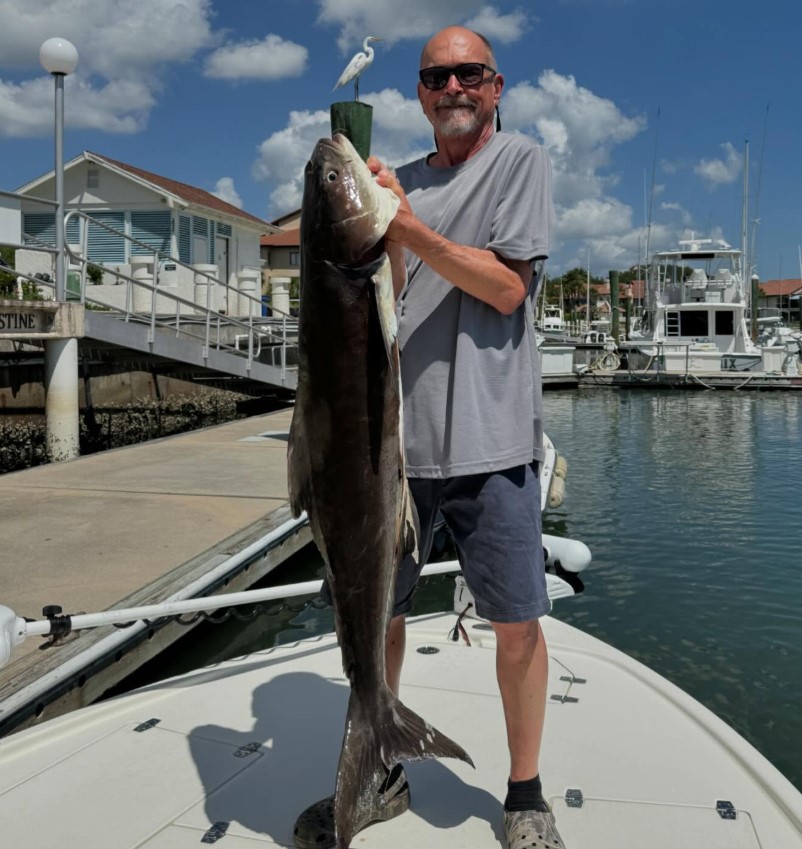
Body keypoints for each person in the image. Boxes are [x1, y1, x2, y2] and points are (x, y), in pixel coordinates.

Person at [294, 25, 562, 849]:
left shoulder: (520, 164)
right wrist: (380, 222)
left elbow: (506, 288)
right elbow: (384, 298)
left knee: (516, 623)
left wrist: (402, 227)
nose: (453, 87)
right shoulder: (395, 186)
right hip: (395, 452)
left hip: (493, 441)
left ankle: (525, 795)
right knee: (380, 619)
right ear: (417, 93)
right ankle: (376, 770)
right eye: (437, 76)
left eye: (469, 74)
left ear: (495, 85)